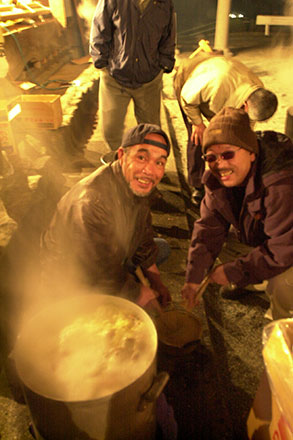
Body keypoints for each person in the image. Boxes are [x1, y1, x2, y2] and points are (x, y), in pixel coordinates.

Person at [40, 123, 172, 311]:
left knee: (161, 249)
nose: (150, 171)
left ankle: (126, 274)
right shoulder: (91, 202)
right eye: (141, 157)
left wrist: (157, 282)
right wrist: (139, 293)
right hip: (74, 277)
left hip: (110, 254)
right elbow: (96, 273)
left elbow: (144, 235)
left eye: (159, 162)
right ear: (121, 156)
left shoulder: (138, 186)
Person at [181, 107, 293, 320]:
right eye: (211, 157)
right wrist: (194, 278)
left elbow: (284, 248)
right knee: (227, 243)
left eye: (228, 154)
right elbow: (207, 230)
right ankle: (255, 280)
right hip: (269, 235)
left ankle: (284, 326)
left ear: (251, 153)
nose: (219, 164)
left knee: (284, 281)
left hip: (288, 246)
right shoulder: (216, 181)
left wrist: (235, 271)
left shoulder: (280, 184)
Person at [173, 51, 278, 204]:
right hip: (191, 80)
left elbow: (246, 127)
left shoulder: (258, 90)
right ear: (246, 105)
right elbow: (187, 98)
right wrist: (197, 123)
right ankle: (197, 185)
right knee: (198, 137)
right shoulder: (217, 83)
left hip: (224, 92)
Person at [89, 0, 176, 154]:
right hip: (115, 77)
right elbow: (99, 28)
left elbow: (169, 36)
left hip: (149, 79)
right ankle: (119, 163)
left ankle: (147, 167)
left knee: (151, 131)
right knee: (111, 129)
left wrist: (164, 64)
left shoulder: (164, 3)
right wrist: (101, 63)